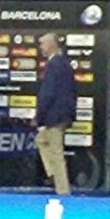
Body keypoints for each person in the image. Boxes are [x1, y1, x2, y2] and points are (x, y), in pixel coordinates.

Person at [35, 32, 77, 195]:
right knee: (41, 140)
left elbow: (48, 93)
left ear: (51, 45)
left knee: (56, 154)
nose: (40, 47)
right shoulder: (65, 64)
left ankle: (63, 191)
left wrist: (39, 116)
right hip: (62, 115)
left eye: (42, 44)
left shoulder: (54, 65)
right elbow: (72, 91)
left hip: (54, 116)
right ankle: (52, 174)